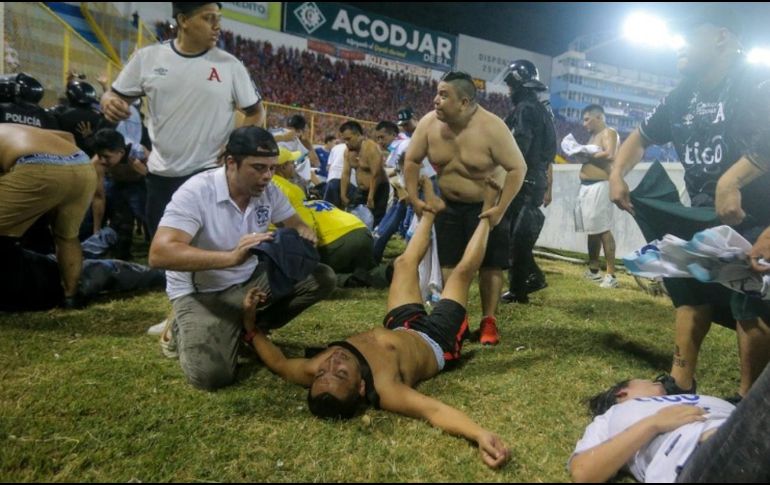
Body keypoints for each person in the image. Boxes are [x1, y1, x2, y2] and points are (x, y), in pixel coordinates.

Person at [243, 178, 511, 469]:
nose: (332, 362)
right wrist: (480, 434)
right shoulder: (386, 390)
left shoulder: (317, 370)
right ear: (360, 388)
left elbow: (280, 364)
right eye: (341, 373)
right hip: (437, 341)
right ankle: (488, 214)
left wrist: (250, 327)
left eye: (323, 372)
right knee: (460, 274)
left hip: (400, 325)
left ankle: (431, 211)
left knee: (404, 264)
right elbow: (433, 411)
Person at [609, 6, 770, 400]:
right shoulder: (683, 94)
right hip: (706, 216)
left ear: (722, 37)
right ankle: (680, 380)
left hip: (761, 217)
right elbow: (641, 136)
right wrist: (616, 173)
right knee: (687, 286)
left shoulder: (759, 82)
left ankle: (749, 401)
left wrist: (734, 178)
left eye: (690, 33)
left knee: (753, 299)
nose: (679, 42)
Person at [148, 126, 335, 391]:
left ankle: (247, 330)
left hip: (248, 282)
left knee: (320, 277)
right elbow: (159, 253)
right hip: (202, 292)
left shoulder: (268, 190)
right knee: (212, 376)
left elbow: (295, 223)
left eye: (271, 167)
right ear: (231, 163)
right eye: (258, 168)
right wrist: (230, 258)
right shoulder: (196, 192)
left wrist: (302, 234)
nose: (267, 176)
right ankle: (179, 327)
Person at [101, 2, 265, 239]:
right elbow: (115, 94)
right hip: (160, 177)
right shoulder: (148, 58)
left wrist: (236, 146)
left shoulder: (230, 65)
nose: (217, 26)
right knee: (165, 255)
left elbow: (256, 111)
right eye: (209, 18)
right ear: (183, 20)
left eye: (218, 18)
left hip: (209, 174)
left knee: (208, 251)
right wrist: (108, 100)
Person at [404, 71, 527, 345]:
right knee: (450, 262)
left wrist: (501, 208)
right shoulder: (428, 124)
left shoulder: (492, 127)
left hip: (486, 207)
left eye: (444, 95)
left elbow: (518, 168)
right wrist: (413, 197)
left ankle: (488, 320)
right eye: (437, 93)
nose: (436, 100)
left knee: (490, 265)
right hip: (449, 205)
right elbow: (411, 160)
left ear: (464, 102)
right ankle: (456, 316)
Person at [569, 366, 770, 483]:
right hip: (698, 458)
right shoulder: (614, 415)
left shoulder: (699, 399)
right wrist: (654, 423)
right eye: (651, 381)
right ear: (622, 393)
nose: (660, 383)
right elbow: (583, 471)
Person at [0, 124, 97, 309]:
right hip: (81, 164)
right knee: (67, 237)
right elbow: (68, 135)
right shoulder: (11, 128)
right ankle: (70, 297)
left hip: (36, 168)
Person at [497, 59, 557, 305]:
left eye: (512, 85)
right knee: (516, 236)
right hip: (535, 177)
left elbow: (520, 145)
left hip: (526, 179)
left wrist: (505, 172)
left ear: (521, 83)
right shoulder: (537, 108)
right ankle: (532, 279)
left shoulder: (526, 109)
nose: (509, 90)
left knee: (515, 238)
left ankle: (519, 290)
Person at [271, 147, 375, 284]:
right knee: (367, 270)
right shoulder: (291, 190)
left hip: (337, 240)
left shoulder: (268, 186)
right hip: (362, 232)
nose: (294, 167)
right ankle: (385, 272)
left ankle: (347, 279)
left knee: (311, 274)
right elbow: (306, 225)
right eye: (292, 163)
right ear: (283, 167)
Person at [575, 104, 620, 288]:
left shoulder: (609, 132)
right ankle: (594, 270)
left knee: (603, 229)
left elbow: (610, 154)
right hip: (587, 186)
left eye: (587, 119)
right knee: (591, 229)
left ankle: (611, 275)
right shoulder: (593, 136)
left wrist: (586, 155)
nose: (584, 123)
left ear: (598, 117)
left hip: (600, 186)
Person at [89, 128, 148, 260]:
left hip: (138, 184)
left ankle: (154, 243)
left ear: (121, 152)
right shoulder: (96, 163)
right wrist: (96, 231)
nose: (103, 160)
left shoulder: (140, 153)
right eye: (99, 155)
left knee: (146, 213)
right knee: (119, 219)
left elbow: (158, 182)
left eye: (107, 157)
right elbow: (98, 198)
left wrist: (145, 171)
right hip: (113, 183)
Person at [339, 120, 389, 227]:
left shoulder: (371, 148)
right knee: (355, 216)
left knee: (376, 221)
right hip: (362, 190)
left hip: (379, 188)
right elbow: (345, 174)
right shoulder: (348, 152)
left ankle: (376, 241)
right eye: (344, 140)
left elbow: (377, 174)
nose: (346, 142)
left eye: (348, 139)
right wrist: (343, 194)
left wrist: (371, 196)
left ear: (358, 135)